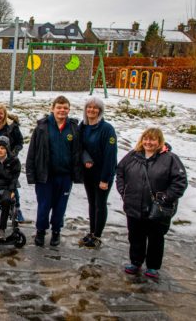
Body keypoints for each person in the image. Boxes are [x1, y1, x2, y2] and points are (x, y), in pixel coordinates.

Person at [116, 128, 187, 279]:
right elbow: (120, 171)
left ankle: (153, 266)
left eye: (152, 139)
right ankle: (136, 262)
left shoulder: (170, 159)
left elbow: (180, 182)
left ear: (159, 141)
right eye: (146, 139)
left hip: (157, 208)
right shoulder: (133, 156)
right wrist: (123, 191)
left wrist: (165, 198)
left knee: (156, 238)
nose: (148, 142)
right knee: (135, 236)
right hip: (134, 205)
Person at [25, 95, 82, 247]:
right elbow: (32, 152)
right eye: (59, 107)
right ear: (52, 109)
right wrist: (30, 174)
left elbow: (78, 151)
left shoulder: (74, 128)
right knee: (44, 205)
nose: (62, 111)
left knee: (60, 206)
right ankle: (41, 231)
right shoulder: (42, 127)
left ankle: (56, 231)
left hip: (65, 177)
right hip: (45, 176)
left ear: (69, 110)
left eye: (65, 108)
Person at [78, 97, 118, 248]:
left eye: (95, 108)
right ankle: (92, 231)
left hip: (102, 174)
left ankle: (97, 236)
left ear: (100, 111)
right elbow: (79, 147)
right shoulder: (83, 127)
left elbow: (110, 155)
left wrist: (105, 179)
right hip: (88, 173)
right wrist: (85, 158)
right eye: (89, 107)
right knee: (91, 203)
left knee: (100, 204)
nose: (92, 110)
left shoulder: (107, 129)